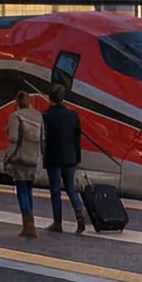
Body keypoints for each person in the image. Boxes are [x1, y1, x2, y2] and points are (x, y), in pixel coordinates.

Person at [43, 87, 88, 233]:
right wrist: (77, 158)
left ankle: (57, 223)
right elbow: (77, 139)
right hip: (70, 158)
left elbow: (45, 139)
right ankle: (79, 214)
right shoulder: (72, 115)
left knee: (55, 190)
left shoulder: (46, 116)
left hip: (53, 158)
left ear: (50, 99)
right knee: (70, 188)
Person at [5, 92, 48, 239]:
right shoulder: (38, 116)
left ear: (17, 102)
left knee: (21, 189)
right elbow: (43, 139)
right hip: (34, 159)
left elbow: (13, 139)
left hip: (20, 159)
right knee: (29, 190)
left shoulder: (16, 116)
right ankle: (30, 222)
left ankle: (28, 225)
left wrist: (7, 158)